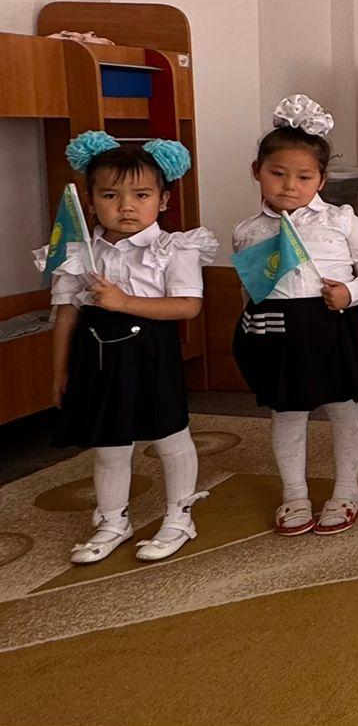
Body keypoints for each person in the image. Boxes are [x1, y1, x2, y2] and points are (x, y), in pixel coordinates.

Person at [43, 132, 217, 563]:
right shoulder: (79, 251)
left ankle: (179, 516)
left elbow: (188, 306)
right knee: (109, 443)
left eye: (141, 195)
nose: (126, 206)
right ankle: (112, 520)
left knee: (169, 435)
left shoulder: (173, 248)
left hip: (151, 353)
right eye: (110, 195)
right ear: (89, 201)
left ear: (163, 200)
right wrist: (59, 372)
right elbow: (66, 315)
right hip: (96, 356)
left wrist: (123, 302)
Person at [233, 95, 358, 535]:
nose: (289, 185)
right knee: (287, 413)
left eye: (304, 177)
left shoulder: (342, 220)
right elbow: (248, 287)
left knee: (343, 408)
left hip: (332, 323)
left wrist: (351, 293)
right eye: (277, 173)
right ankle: (294, 494)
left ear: (321, 179)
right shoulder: (247, 231)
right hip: (277, 330)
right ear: (257, 171)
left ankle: (347, 490)